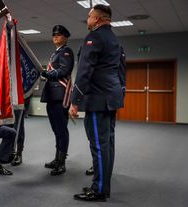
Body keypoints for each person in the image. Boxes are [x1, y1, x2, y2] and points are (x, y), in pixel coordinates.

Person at [70, 4, 125, 202]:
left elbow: (84, 72)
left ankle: (99, 189)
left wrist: (75, 101)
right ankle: (103, 183)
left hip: (97, 100)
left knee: (99, 146)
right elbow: (119, 71)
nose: (88, 20)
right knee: (107, 143)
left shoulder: (93, 37)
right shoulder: (114, 39)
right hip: (111, 98)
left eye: (89, 16)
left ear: (98, 19)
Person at [40, 25, 74, 176]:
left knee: (61, 130)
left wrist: (47, 74)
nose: (55, 37)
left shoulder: (66, 51)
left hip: (60, 96)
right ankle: (56, 158)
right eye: (54, 35)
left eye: (59, 35)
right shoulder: (55, 53)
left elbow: (64, 71)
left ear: (65, 37)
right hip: (52, 96)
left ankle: (61, 162)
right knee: (56, 130)